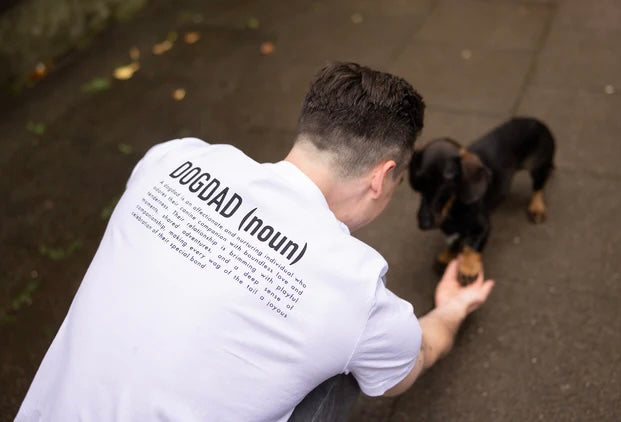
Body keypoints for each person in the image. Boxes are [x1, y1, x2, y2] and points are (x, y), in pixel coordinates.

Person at [16, 62, 494, 422]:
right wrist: (451, 308)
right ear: (382, 176)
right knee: (349, 371)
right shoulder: (355, 287)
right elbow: (411, 365)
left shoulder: (169, 160)